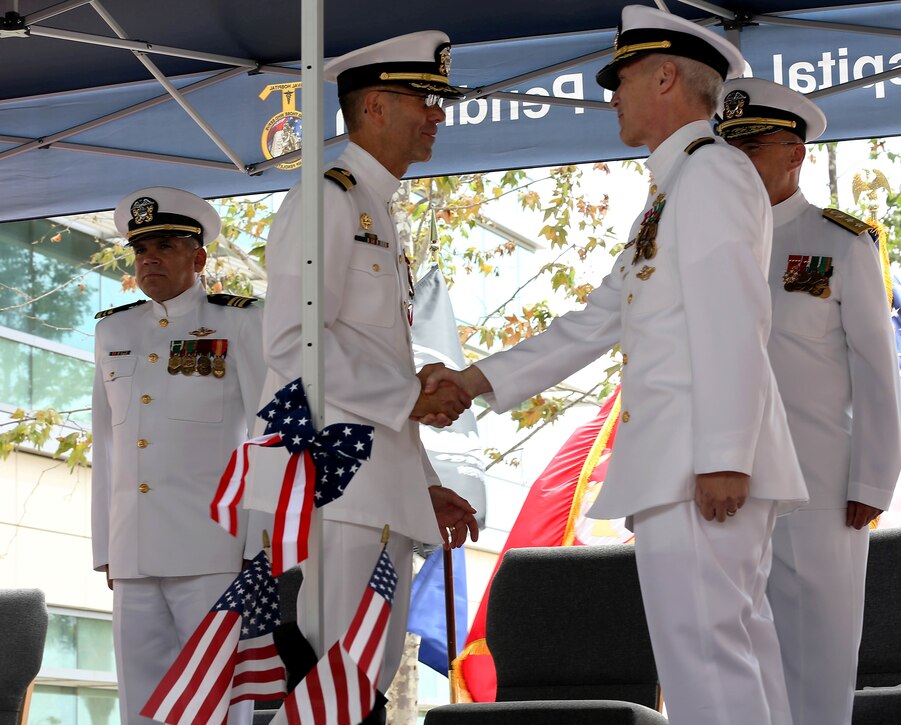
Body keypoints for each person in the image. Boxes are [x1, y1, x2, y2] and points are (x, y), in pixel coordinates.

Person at [419, 7, 807, 724]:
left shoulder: (712, 173)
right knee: (730, 658)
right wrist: (475, 381)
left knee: (710, 666)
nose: (612, 96)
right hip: (685, 463)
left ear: (665, 76)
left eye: (621, 78)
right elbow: (598, 319)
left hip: (700, 465)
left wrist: (724, 452)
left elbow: (735, 316)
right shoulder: (673, 192)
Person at [261, 30, 479, 719]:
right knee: (336, 685)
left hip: (377, 492)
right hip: (337, 492)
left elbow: (373, 369)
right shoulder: (326, 199)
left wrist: (428, 484)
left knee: (360, 687)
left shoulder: (374, 208)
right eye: (426, 99)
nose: (438, 114)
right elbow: (294, 339)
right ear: (377, 106)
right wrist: (412, 393)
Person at [716, 77, 901, 725]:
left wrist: (874, 475)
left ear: (794, 154)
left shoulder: (841, 244)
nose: (734, 162)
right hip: (723, 491)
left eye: (750, 147)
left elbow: (877, 370)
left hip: (820, 488)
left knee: (818, 659)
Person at [91, 187, 266, 725]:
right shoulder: (113, 329)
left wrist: (257, 540)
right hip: (134, 549)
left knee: (216, 699)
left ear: (199, 257)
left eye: (164, 245)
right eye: (140, 249)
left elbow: (266, 433)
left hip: (214, 547)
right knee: (141, 704)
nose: (149, 259)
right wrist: (106, 548)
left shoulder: (241, 322)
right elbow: (106, 443)